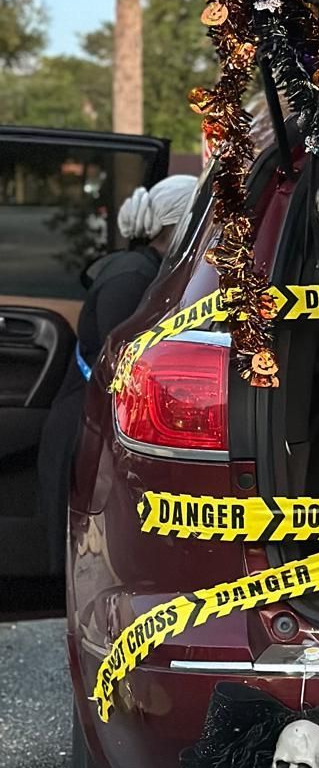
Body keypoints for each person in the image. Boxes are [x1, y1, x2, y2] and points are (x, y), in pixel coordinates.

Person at [38, 174, 198, 573]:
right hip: (86, 427)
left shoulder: (145, 270)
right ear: (181, 226)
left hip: (95, 423)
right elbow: (123, 367)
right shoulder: (132, 277)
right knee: (85, 560)